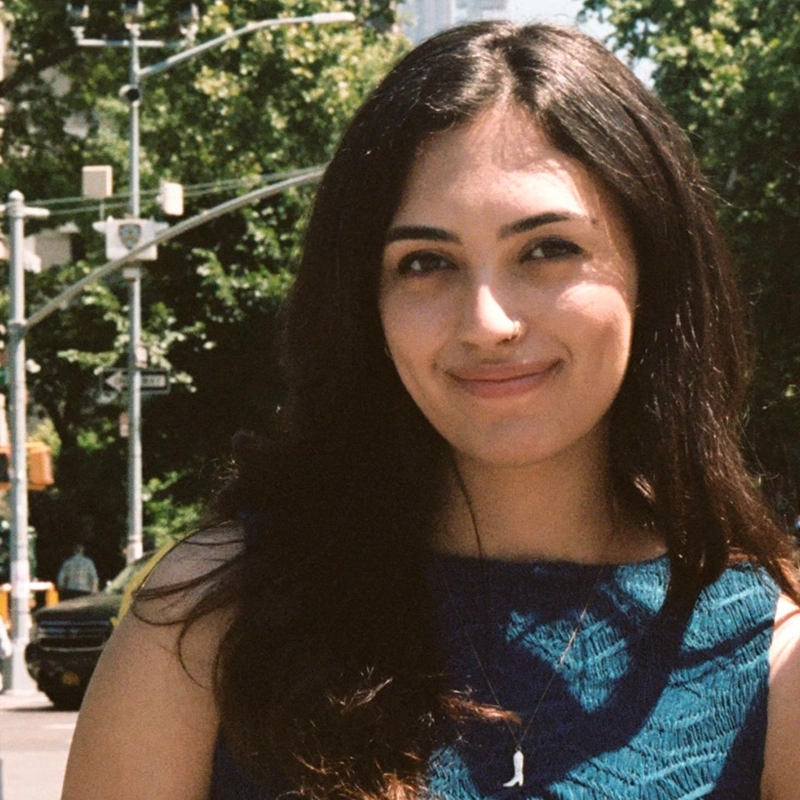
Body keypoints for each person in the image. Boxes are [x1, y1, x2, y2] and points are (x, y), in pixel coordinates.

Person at [62, 21, 800, 800]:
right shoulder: (209, 619)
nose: (488, 321)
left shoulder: (774, 653)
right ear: (363, 304)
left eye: (547, 249)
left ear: (654, 270)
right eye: (426, 263)